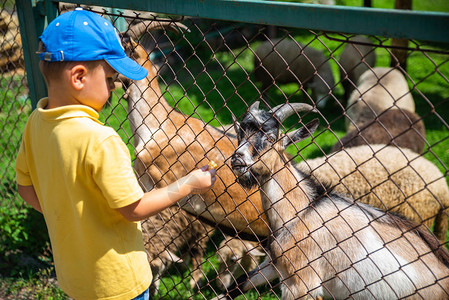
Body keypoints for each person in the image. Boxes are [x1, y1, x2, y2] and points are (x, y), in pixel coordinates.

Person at [15, 8, 216, 300]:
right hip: (119, 284)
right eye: (110, 79)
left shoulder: (35, 123)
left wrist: (68, 212)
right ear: (79, 77)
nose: (113, 87)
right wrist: (189, 184)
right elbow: (134, 209)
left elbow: (25, 187)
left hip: (76, 280)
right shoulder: (102, 140)